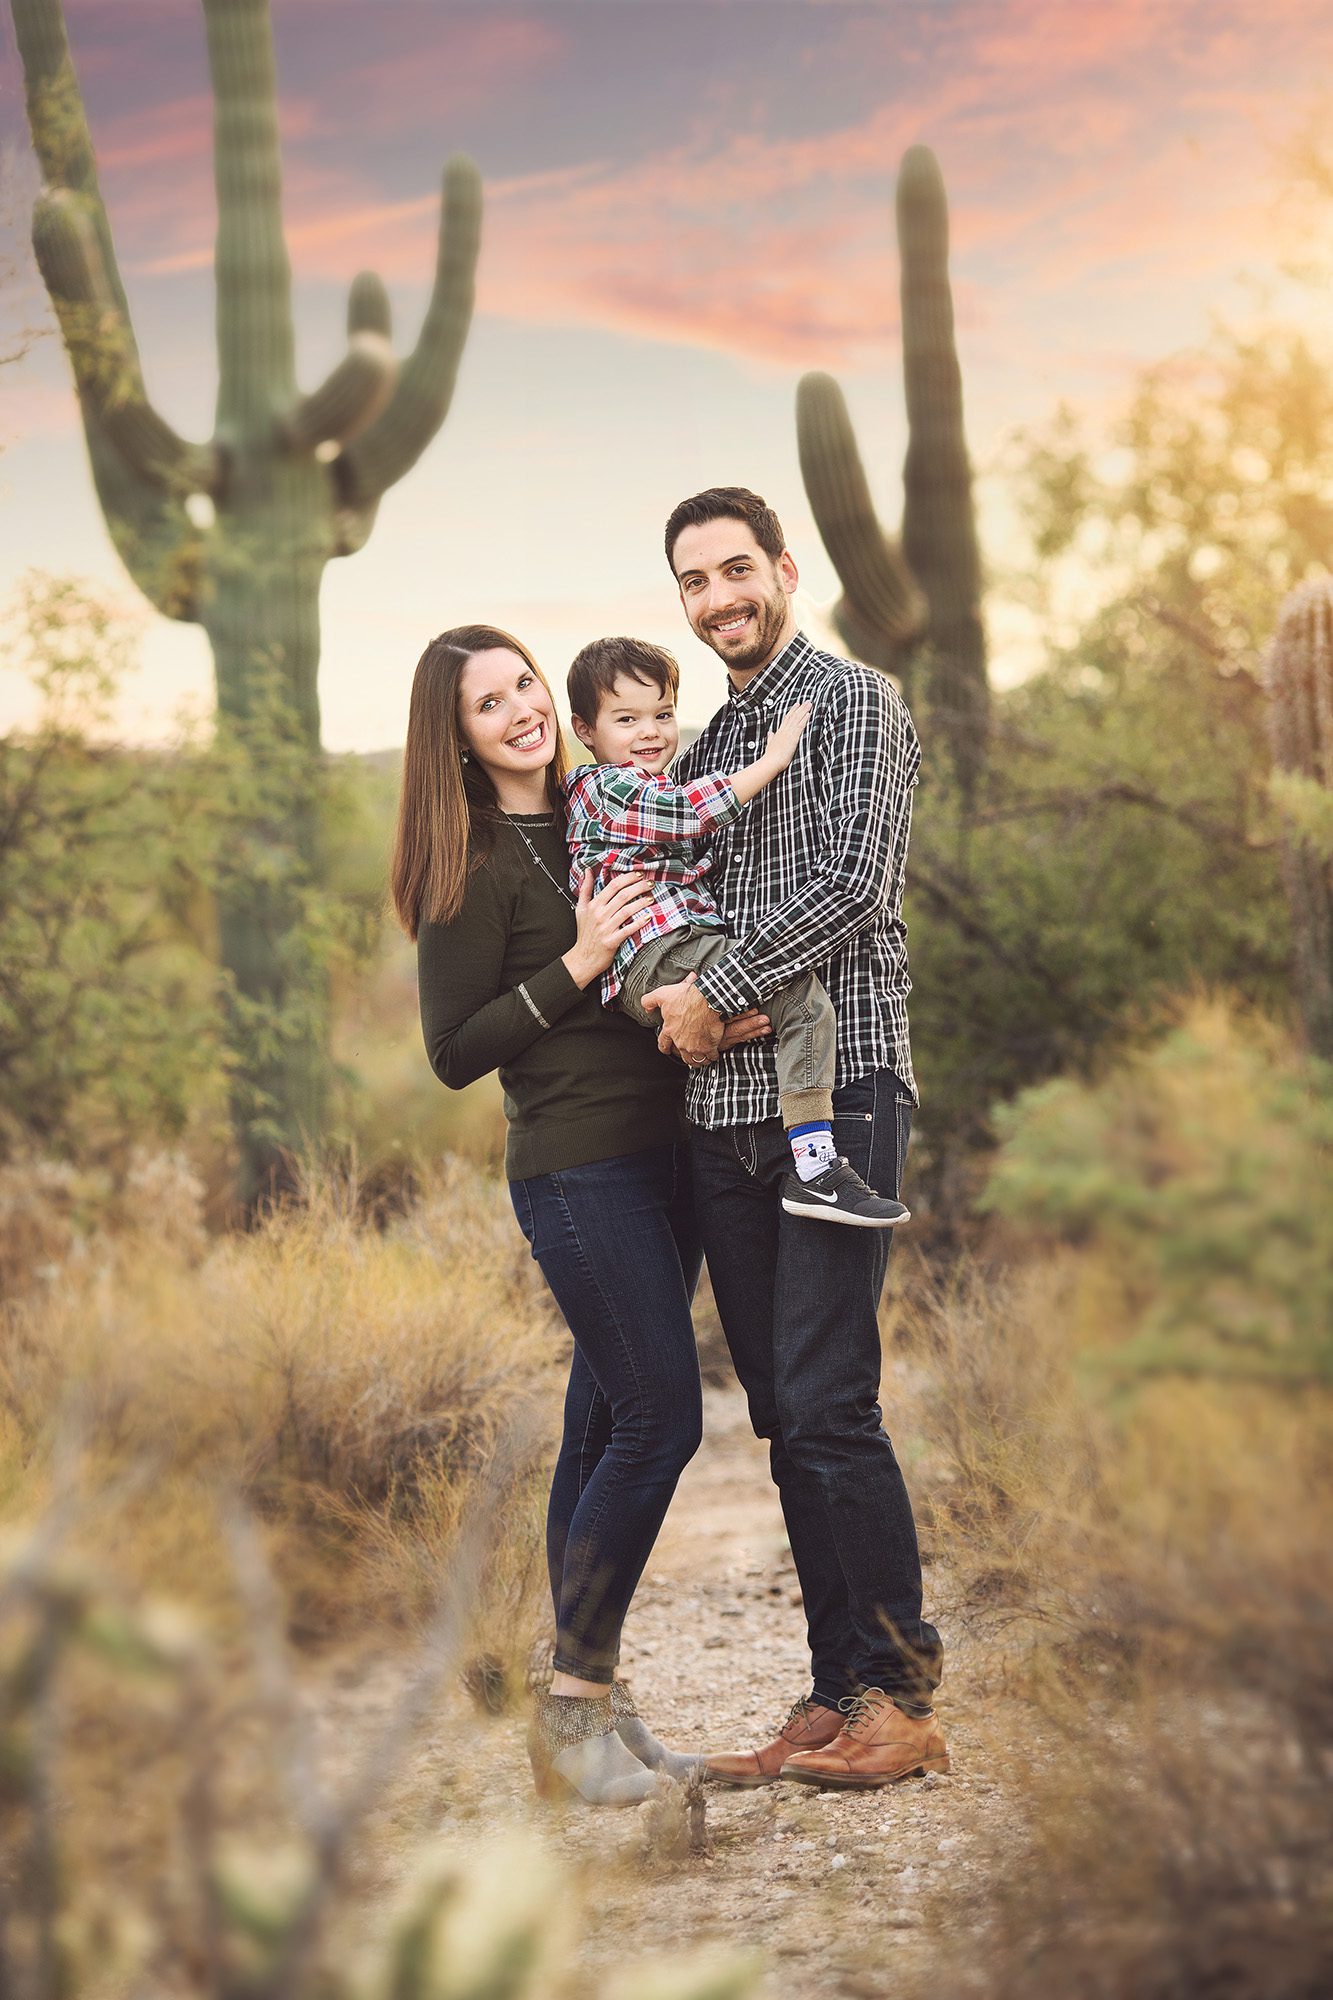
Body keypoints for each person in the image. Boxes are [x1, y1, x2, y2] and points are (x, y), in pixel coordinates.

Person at [390, 622, 766, 1805]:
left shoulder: (609, 804)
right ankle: (574, 1708)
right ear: (452, 737)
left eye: (524, 686)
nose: (518, 711)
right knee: (662, 1415)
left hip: (671, 1150)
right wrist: (578, 957)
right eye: (486, 704)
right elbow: (454, 1051)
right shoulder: (469, 865)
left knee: (606, 1429)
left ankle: (597, 1710)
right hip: (576, 1168)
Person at [644, 488, 948, 1789]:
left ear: (782, 566)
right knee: (782, 1412)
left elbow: (852, 886)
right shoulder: (707, 741)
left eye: (734, 570)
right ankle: (834, 1697)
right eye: (692, 583)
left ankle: (902, 1694)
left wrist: (714, 995)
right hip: (726, 1122)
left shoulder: (862, 703)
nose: (718, 599)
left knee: (831, 1400)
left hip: (848, 1089)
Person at [564, 634, 909, 1226]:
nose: (650, 731)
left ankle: (810, 1158)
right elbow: (691, 814)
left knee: (781, 1011)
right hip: (662, 953)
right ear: (586, 731)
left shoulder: (855, 696)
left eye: (663, 714)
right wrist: (772, 762)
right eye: (627, 719)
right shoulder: (603, 788)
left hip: (670, 965)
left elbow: (857, 880)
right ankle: (817, 1165)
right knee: (803, 999)